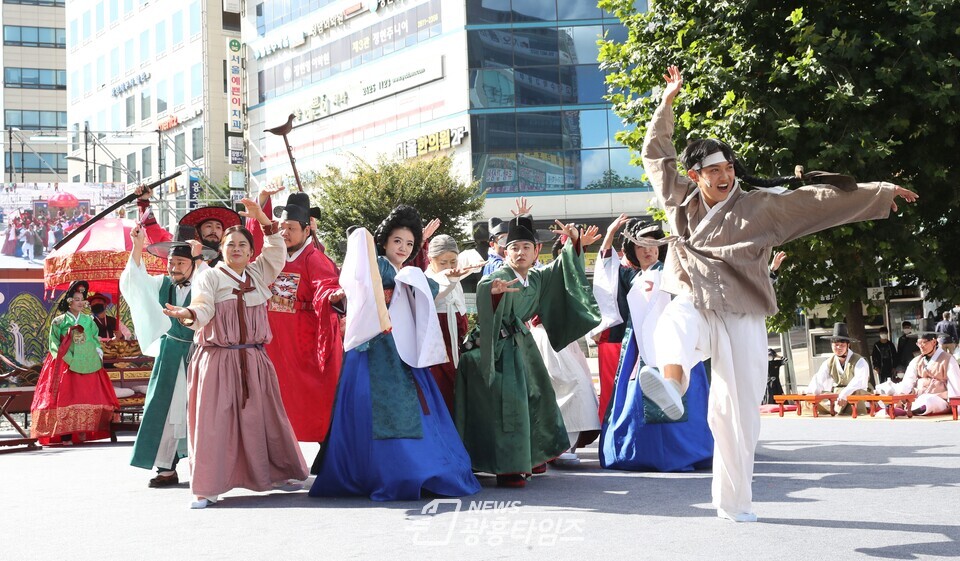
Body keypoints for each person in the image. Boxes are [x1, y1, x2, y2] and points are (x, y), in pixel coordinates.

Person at [637, 66, 918, 522]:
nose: (725, 175)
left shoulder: (760, 207)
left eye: (729, 167)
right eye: (714, 170)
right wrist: (668, 101)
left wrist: (880, 192)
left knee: (738, 410)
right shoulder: (678, 197)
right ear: (696, 175)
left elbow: (819, 203)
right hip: (696, 294)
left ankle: (735, 503)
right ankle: (671, 385)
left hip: (743, 311)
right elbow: (656, 154)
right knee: (674, 323)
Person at [310, 206, 480, 501]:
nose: (403, 248)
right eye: (397, 241)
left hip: (404, 349)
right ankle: (386, 470)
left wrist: (449, 279)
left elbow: (427, 295)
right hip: (374, 346)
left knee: (413, 407)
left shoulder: (409, 272)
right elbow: (357, 279)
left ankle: (418, 467)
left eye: (410, 244)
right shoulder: (376, 265)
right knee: (373, 408)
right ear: (385, 242)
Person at [162, 198, 308, 509]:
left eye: (243, 244)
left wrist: (261, 217)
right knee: (214, 422)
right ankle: (208, 487)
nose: (237, 249)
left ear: (250, 251)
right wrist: (187, 312)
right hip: (218, 358)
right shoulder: (210, 276)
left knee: (263, 417)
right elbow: (201, 306)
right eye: (231, 245)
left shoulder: (258, 273)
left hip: (253, 358)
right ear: (223, 250)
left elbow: (276, 251)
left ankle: (275, 472)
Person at [455, 214, 601, 488]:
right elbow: (487, 286)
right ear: (505, 252)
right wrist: (494, 293)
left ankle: (531, 455)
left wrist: (576, 246)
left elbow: (562, 269)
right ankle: (508, 466)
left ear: (536, 252)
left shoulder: (536, 278)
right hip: (493, 347)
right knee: (509, 406)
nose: (519, 253)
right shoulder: (500, 276)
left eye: (525, 247)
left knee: (537, 397)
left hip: (521, 344)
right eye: (514, 248)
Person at [593, 215, 713, 472]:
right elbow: (606, 278)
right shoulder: (634, 278)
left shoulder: (674, 274)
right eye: (640, 245)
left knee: (680, 395)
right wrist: (611, 233)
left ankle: (681, 454)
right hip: (640, 347)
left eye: (652, 243)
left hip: (674, 345)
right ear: (632, 251)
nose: (647, 249)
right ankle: (647, 452)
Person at [246, 191, 345, 451]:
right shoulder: (274, 254)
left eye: (291, 228)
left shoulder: (315, 258)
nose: (285, 233)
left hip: (301, 336)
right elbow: (255, 240)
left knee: (309, 394)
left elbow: (325, 285)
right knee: (271, 394)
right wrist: (262, 202)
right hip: (271, 336)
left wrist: (331, 295)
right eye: (283, 227)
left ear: (306, 230)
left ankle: (326, 444)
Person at [120, 223, 213, 488]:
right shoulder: (162, 284)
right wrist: (138, 246)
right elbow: (134, 283)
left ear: (194, 263)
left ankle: (209, 466)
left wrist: (202, 263)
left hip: (201, 353)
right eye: (171, 262)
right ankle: (165, 468)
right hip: (170, 354)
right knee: (166, 409)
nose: (174, 268)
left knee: (202, 409)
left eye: (181, 262)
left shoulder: (206, 281)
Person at [531, 230, 603, 466]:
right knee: (563, 387)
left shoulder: (556, 272)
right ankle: (556, 446)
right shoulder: (540, 274)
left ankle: (564, 445)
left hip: (562, 338)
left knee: (577, 387)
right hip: (545, 336)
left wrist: (578, 244)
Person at [30, 281, 120, 445]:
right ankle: (65, 435)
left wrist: (98, 350)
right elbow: (54, 343)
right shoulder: (59, 321)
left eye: (82, 300)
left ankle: (84, 429)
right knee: (66, 398)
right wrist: (63, 357)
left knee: (87, 396)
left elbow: (94, 338)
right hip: (66, 363)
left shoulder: (88, 321)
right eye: (77, 299)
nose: (80, 303)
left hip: (88, 363)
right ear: (69, 301)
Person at [423, 234, 478, 413]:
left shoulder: (456, 276)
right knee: (442, 386)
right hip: (438, 340)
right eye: (443, 262)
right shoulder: (425, 280)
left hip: (457, 339)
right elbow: (437, 294)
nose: (449, 267)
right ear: (431, 260)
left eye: (453, 262)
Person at [877, 332, 960, 416]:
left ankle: (907, 409)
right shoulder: (916, 361)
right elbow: (907, 383)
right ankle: (899, 407)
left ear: (934, 342)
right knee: (887, 388)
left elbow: (955, 386)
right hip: (917, 397)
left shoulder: (948, 359)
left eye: (924, 342)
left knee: (928, 401)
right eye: (918, 343)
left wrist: (956, 407)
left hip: (939, 400)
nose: (921, 346)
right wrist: (900, 395)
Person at [806, 323, 872, 415]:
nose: (839, 347)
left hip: (855, 395)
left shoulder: (859, 361)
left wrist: (844, 394)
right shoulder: (829, 362)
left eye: (842, 345)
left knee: (854, 394)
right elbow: (819, 379)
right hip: (838, 397)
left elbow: (860, 382)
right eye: (836, 344)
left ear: (848, 345)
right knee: (814, 398)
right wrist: (813, 392)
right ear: (831, 345)